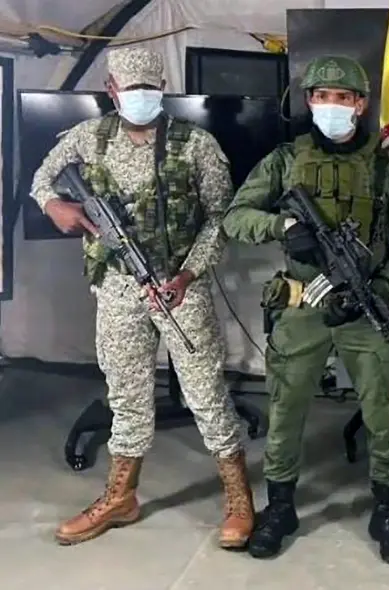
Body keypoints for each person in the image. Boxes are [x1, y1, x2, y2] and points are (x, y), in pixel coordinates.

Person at [30, 47, 253, 549]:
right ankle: (120, 498)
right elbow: (42, 178)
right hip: (117, 287)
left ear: (163, 90)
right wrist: (53, 206)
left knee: (206, 393)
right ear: (112, 90)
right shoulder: (89, 137)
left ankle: (239, 499)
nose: (141, 98)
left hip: (180, 287)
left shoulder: (197, 144)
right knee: (126, 395)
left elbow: (221, 218)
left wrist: (189, 274)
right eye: (132, 90)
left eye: (150, 90)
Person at [222, 55, 389, 564]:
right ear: (309, 101)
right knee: (286, 410)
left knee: (382, 413)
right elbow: (236, 217)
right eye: (322, 96)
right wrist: (283, 227)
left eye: (343, 97)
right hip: (302, 305)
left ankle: (387, 509)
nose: (332, 105)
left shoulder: (387, 169)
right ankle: (281, 508)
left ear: (361, 104)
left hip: (365, 305)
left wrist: (383, 284)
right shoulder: (284, 161)